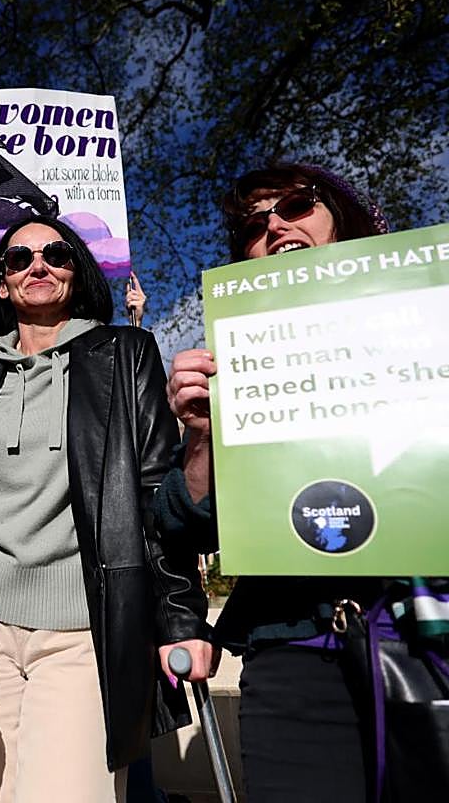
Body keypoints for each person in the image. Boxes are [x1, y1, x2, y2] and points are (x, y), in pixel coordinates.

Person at [0, 216, 212, 803]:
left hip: (82, 633)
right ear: (5, 284)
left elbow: (151, 496)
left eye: (55, 254)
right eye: (18, 259)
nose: (37, 266)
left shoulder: (125, 354)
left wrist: (179, 620)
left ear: (78, 271)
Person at [163, 161, 402, 801]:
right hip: (290, 645)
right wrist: (201, 437)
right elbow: (183, 524)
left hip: (423, 630)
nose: (273, 225)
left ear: (342, 219)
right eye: (252, 224)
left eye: (296, 204)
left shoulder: (419, 319)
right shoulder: (225, 364)